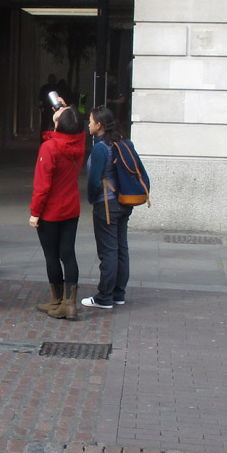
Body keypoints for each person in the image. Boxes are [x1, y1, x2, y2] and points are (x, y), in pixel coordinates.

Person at [29, 103, 86, 319]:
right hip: (71, 207)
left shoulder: (50, 148)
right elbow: (73, 126)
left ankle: (57, 299)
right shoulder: (79, 143)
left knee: (51, 256)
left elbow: (42, 186)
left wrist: (35, 212)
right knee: (68, 254)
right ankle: (69, 303)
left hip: (51, 211)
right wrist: (65, 112)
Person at [82, 106, 131, 310]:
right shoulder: (123, 142)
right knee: (121, 248)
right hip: (123, 201)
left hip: (106, 204)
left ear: (99, 125)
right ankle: (119, 293)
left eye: (91, 120)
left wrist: (92, 199)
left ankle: (104, 297)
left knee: (108, 251)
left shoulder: (101, 148)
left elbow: (94, 181)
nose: (89, 124)